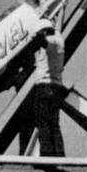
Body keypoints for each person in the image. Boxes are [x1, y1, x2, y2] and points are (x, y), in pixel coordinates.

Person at [32, 11, 66, 159]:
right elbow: (58, 27)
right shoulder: (59, 38)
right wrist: (62, 10)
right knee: (54, 124)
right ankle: (59, 155)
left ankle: (47, 155)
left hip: (44, 87)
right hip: (57, 87)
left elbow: (42, 40)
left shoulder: (51, 41)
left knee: (43, 123)